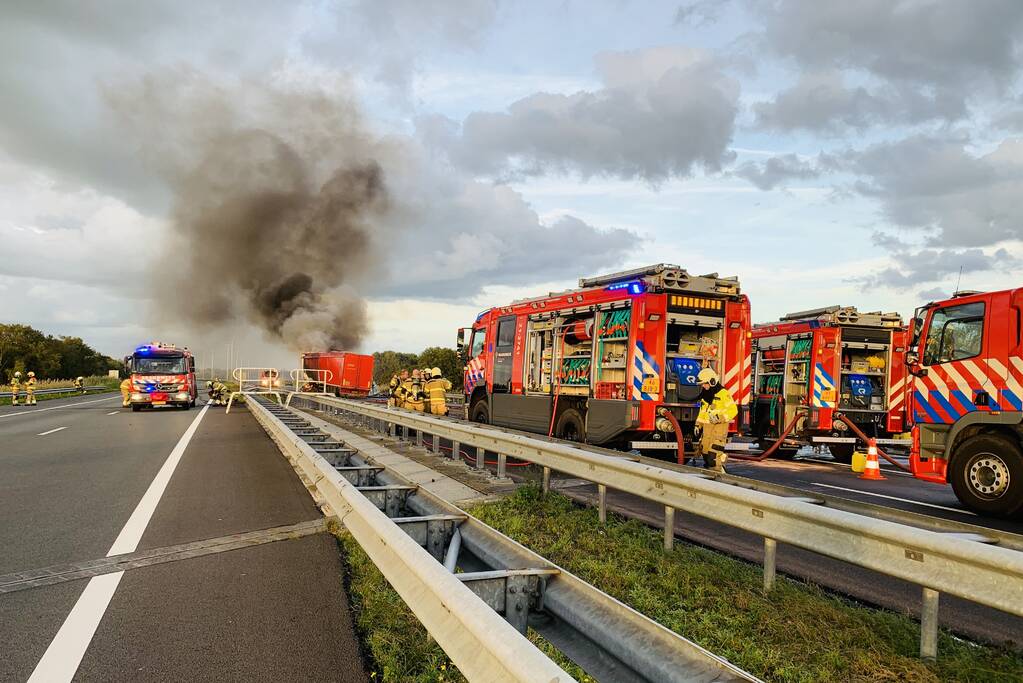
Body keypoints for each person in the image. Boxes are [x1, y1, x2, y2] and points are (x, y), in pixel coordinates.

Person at [693, 368, 737, 473]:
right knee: (705, 454)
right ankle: (709, 477)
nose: (703, 386)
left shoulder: (723, 394)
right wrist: (697, 425)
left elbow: (733, 410)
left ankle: (719, 475)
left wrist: (719, 417)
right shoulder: (705, 395)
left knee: (713, 457)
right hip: (707, 432)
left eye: (705, 383)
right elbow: (703, 412)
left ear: (712, 381)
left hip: (718, 431)